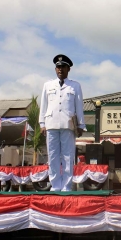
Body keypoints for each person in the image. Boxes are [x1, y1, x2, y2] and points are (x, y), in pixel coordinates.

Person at [39, 54, 85, 192]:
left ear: (68, 69)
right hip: (51, 123)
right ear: (55, 69)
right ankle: (55, 185)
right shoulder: (47, 85)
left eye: (63, 67)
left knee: (67, 156)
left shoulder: (75, 86)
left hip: (68, 124)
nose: (60, 69)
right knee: (52, 156)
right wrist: (42, 123)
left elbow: (79, 106)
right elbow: (43, 105)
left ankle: (66, 185)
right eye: (58, 67)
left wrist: (81, 125)